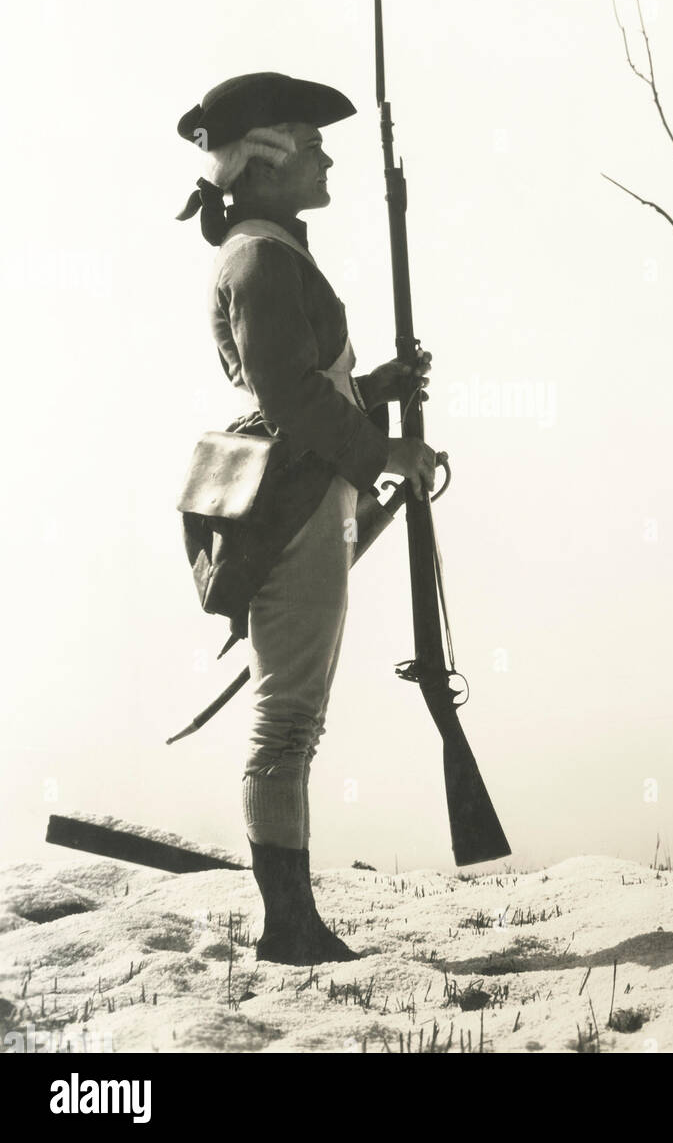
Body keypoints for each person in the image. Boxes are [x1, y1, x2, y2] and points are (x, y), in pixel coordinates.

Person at [175, 72, 436, 964]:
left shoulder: (270, 251)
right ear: (270, 157)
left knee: (293, 718)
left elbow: (302, 387)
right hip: (293, 503)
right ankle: (288, 927)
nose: (327, 153)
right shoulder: (261, 255)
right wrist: (386, 452)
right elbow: (286, 399)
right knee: (287, 720)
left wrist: (373, 391)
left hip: (304, 495)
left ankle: (295, 920)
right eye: (310, 139)